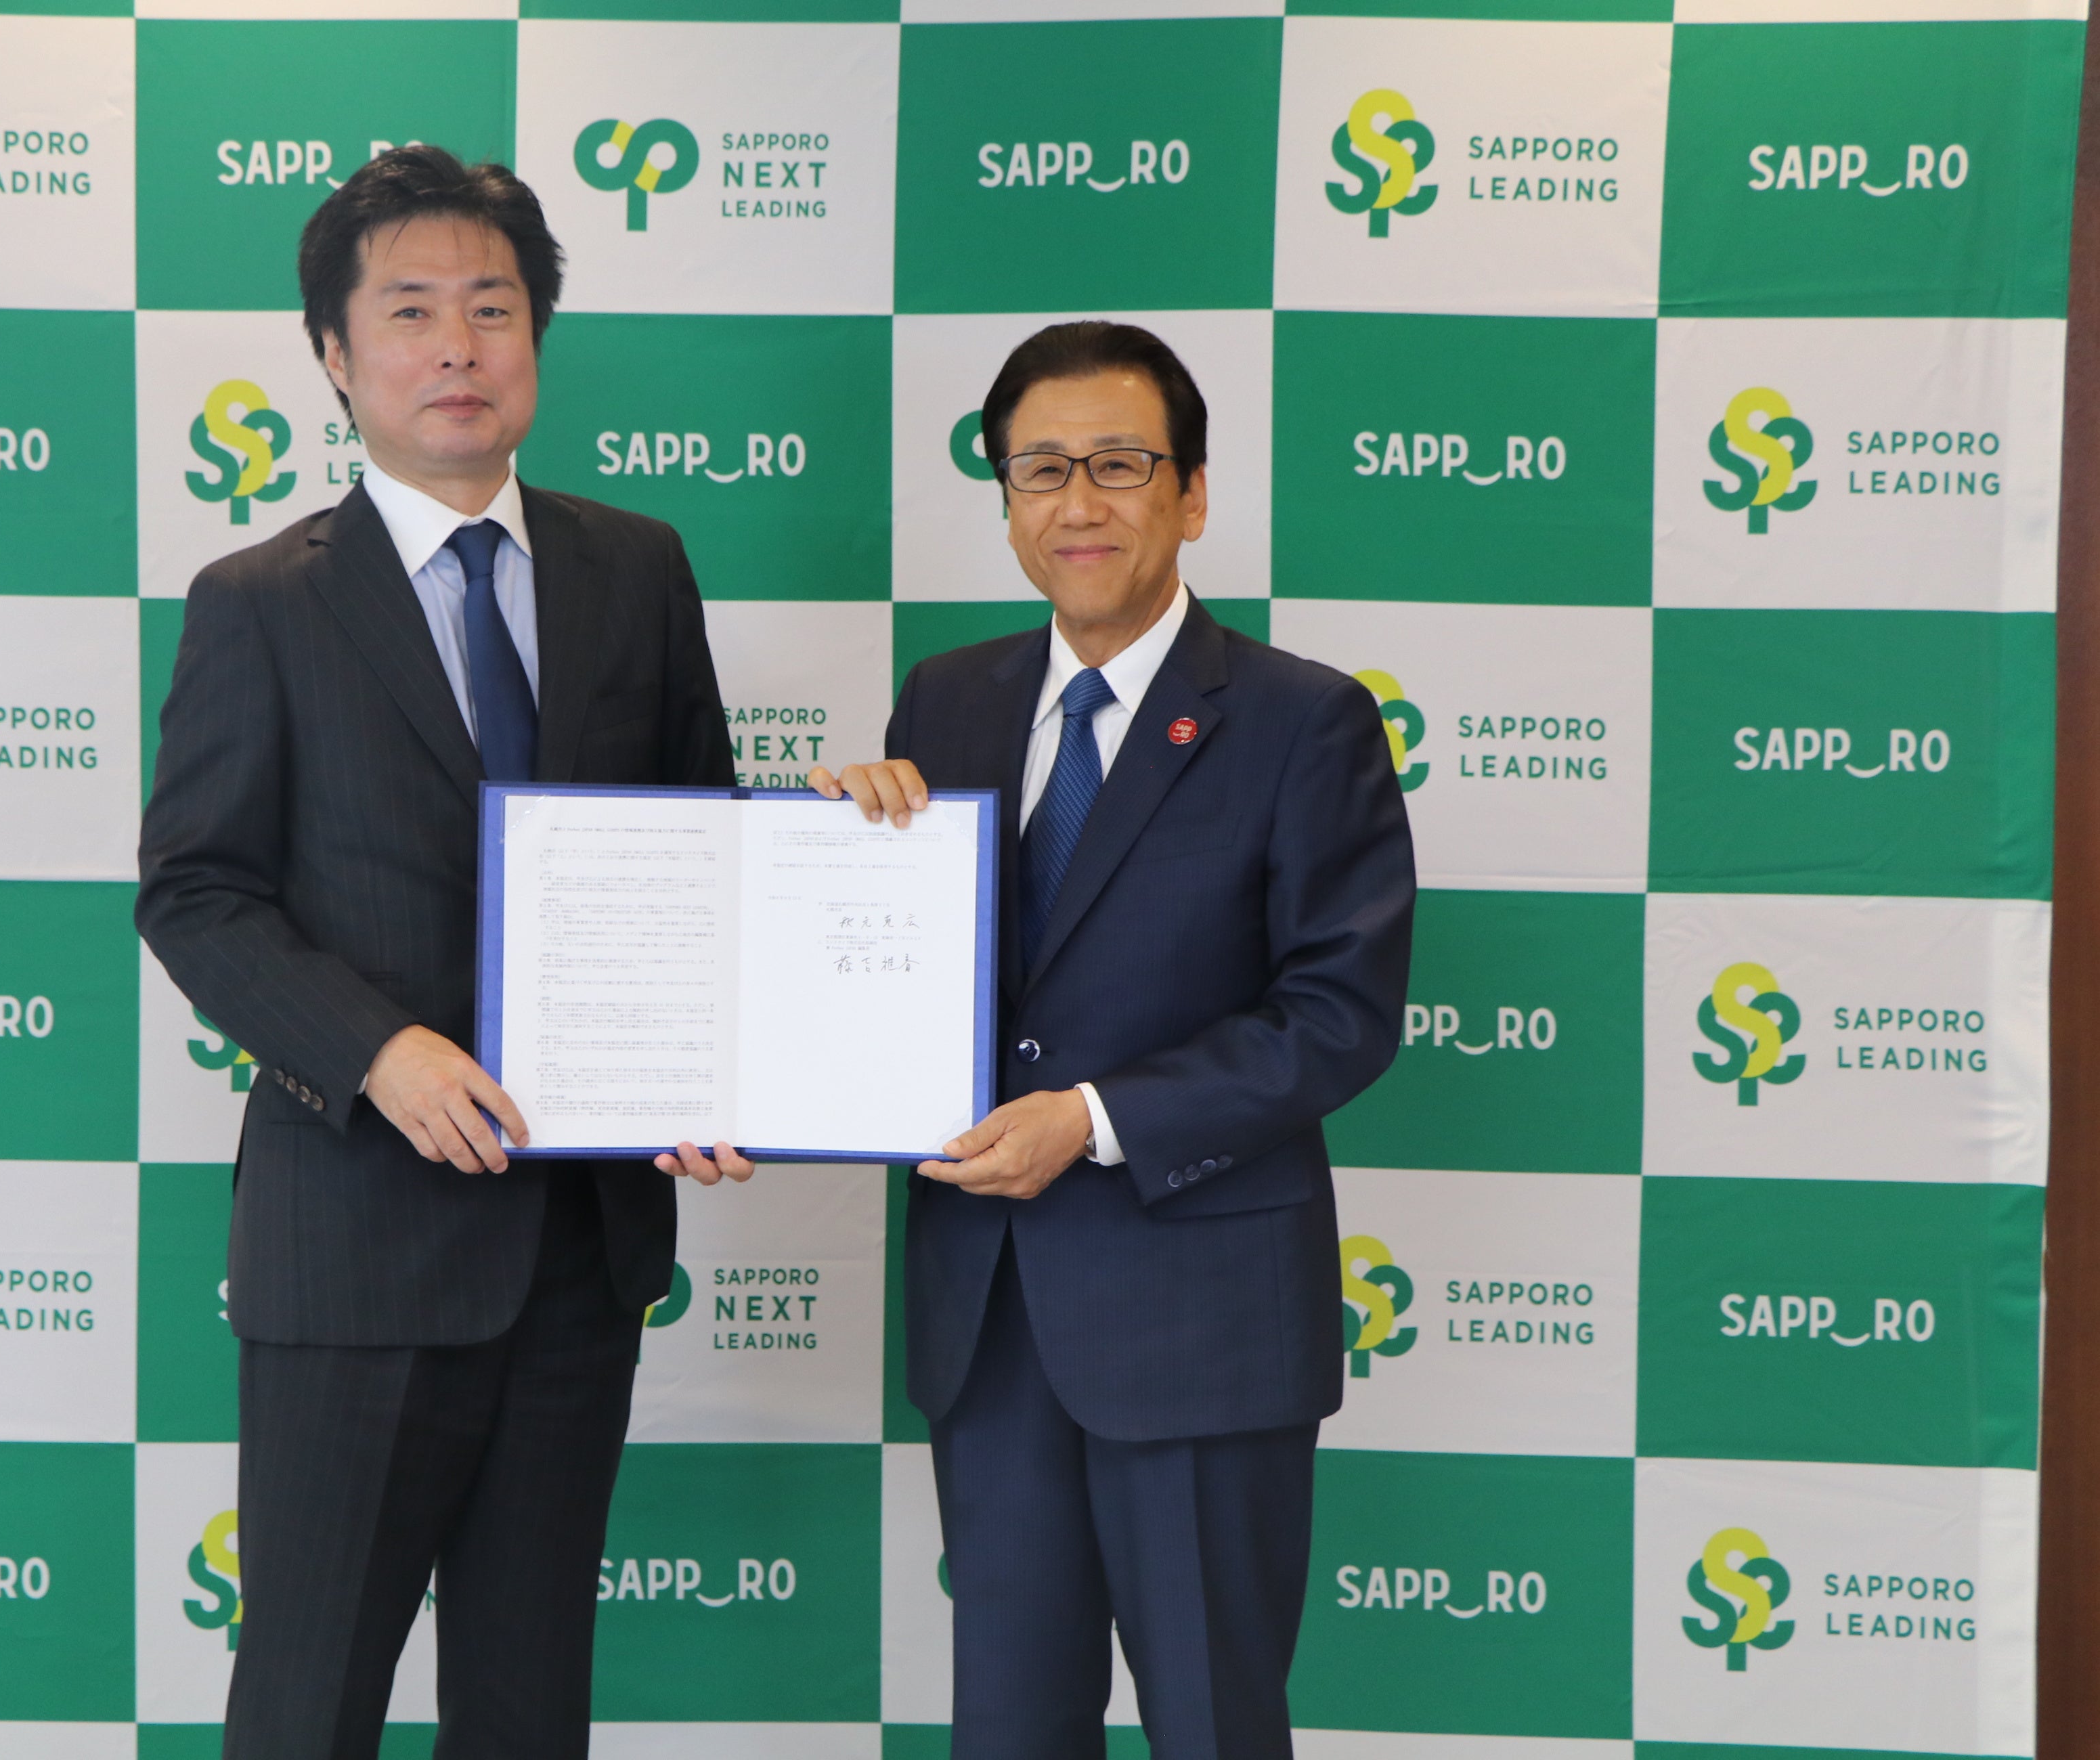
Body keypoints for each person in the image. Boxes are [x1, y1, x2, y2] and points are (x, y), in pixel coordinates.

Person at [137, 145, 751, 1760]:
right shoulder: (260, 601)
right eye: (409, 311)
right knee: (307, 1702)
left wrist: (729, 1046)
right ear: (335, 356)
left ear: (537, 337)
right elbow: (197, 892)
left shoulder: (638, 568)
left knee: (531, 1704)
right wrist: (378, 1052)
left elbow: (702, 853)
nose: (458, 345)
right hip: (355, 1244)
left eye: (493, 305)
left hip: (580, 1246)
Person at [816, 322, 1414, 1760]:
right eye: (1040, 470)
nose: (1076, 503)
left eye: (1119, 465)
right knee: (1008, 1727)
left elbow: (1339, 1016)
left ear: (1192, 495)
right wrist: (831, 884)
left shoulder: (1304, 719)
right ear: (1006, 501)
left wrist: (1090, 1119)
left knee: (1211, 1724)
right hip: (990, 1318)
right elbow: (913, 981)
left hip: (1201, 1318)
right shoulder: (945, 698)